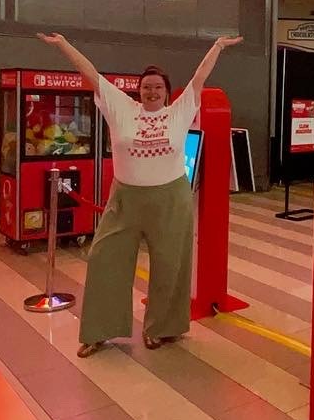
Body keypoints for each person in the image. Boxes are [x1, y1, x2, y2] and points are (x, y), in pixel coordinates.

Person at [36, 31, 243, 356]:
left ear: (167, 91)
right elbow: (90, 74)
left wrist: (217, 46)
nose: (152, 91)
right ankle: (99, 331)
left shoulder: (179, 111)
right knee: (105, 259)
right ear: (139, 89)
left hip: (170, 199)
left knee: (170, 265)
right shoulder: (122, 107)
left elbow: (200, 76)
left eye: (158, 87)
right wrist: (63, 45)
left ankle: (162, 328)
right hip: (126, 199)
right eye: (147, 86)